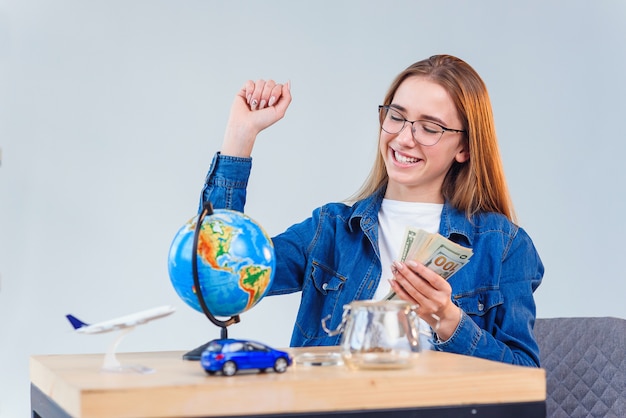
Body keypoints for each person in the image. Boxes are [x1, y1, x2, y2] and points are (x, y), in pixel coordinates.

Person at [199, 54, 544, 367]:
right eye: (396, 117)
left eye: (429, 128)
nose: (404, 138)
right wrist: (239, 138)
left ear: (464, 148)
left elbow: (525, 376)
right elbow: (218, 282)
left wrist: (447, 319)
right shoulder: (331, 231)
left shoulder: (502, 245)